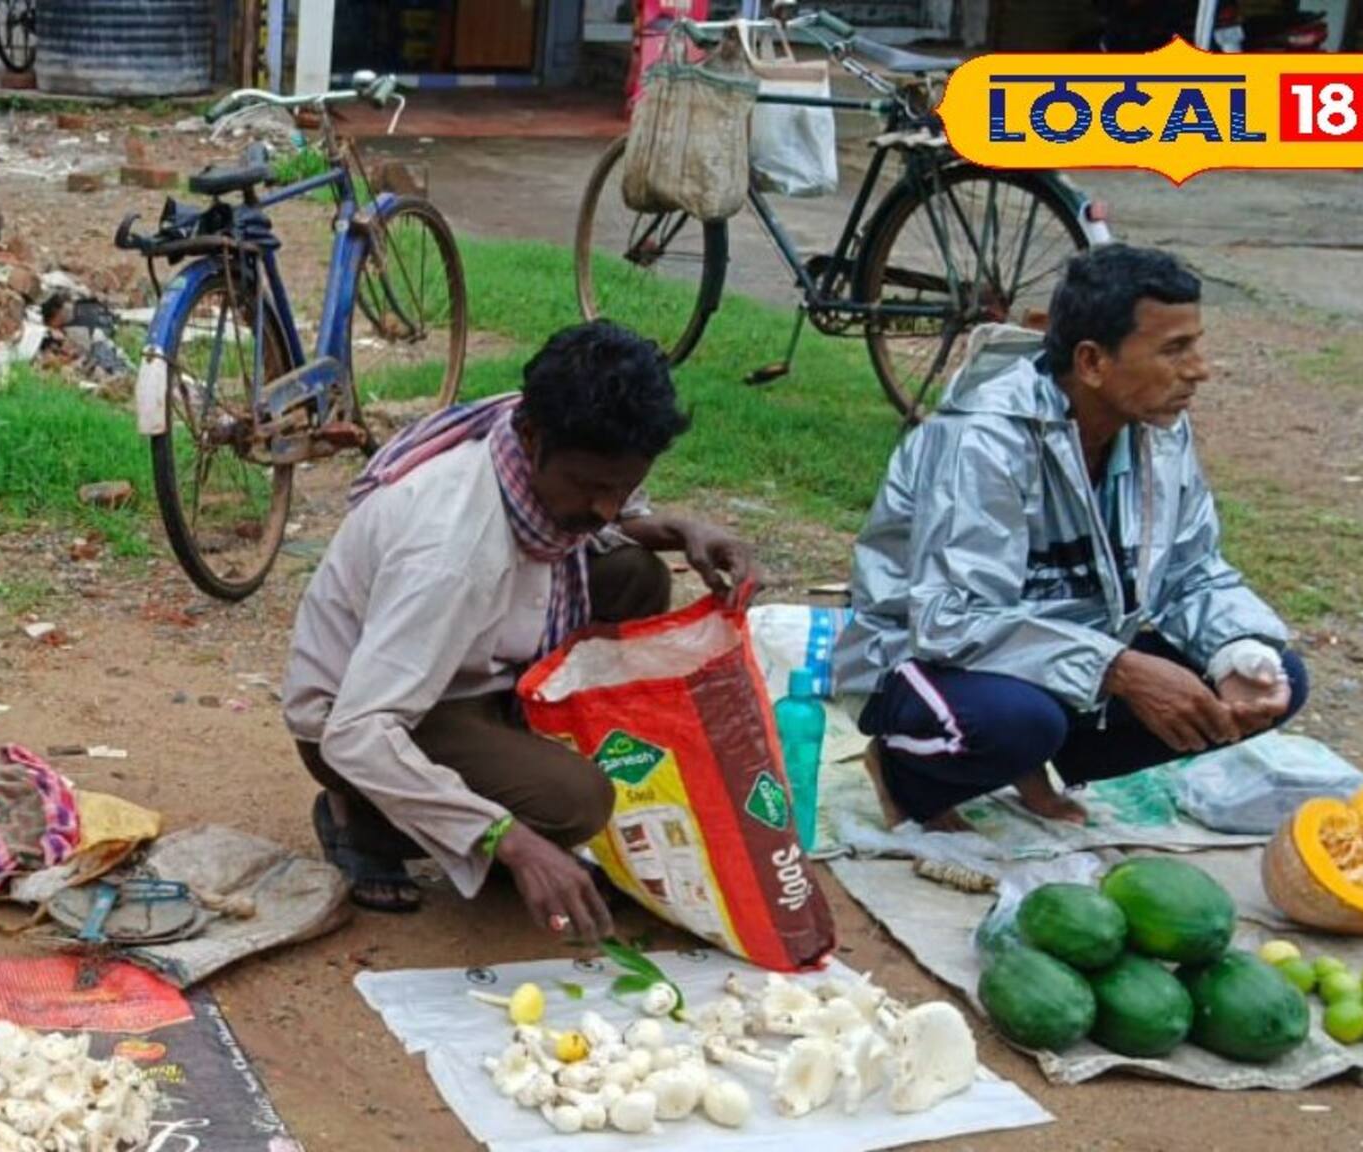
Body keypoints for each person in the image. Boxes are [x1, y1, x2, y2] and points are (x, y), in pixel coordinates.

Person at [284, 321, 758, 942]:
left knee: (634, 574)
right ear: (532, 438)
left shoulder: (527, 439)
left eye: (623, 487)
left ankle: (514, 760)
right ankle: (365, 820)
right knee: (577, 802)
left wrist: (678, 529)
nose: (608, 508)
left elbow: (600, 519)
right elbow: (356, 733)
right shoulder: (451, 554)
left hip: (464, 664)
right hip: (364, 722)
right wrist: (513, 841)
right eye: (592, 486)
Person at [833, 245, 1308, 832]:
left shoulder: (1158, 428)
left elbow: (1192, 570)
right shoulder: (983, 438)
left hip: (1069, 661)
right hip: (916, 661)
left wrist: (1238, 652)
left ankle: (1041, 764)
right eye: (1174, 349)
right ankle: (906, 769)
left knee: (1275, 678)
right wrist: (1122, 670)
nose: (1199, 369)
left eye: (1196, 344)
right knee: (1018, 722)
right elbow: (951, 620)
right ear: (1091, 362)